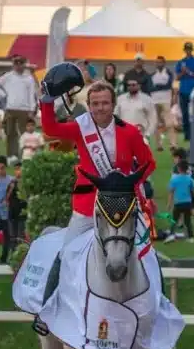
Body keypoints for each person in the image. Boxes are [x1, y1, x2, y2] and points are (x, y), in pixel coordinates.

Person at [38, 63, 155, 280]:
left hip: (124, 203)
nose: (100, 108)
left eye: (105, 103)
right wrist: (47, 101)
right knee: (66, 254)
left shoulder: (130, 132)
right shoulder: (80, 127)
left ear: (113, 105)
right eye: (95, 103)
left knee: (147, 254)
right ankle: (51, 297)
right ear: (89, 105)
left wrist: (131, 184)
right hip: (88, 203)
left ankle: (157, 296)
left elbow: (148, 164)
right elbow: (50, 129)